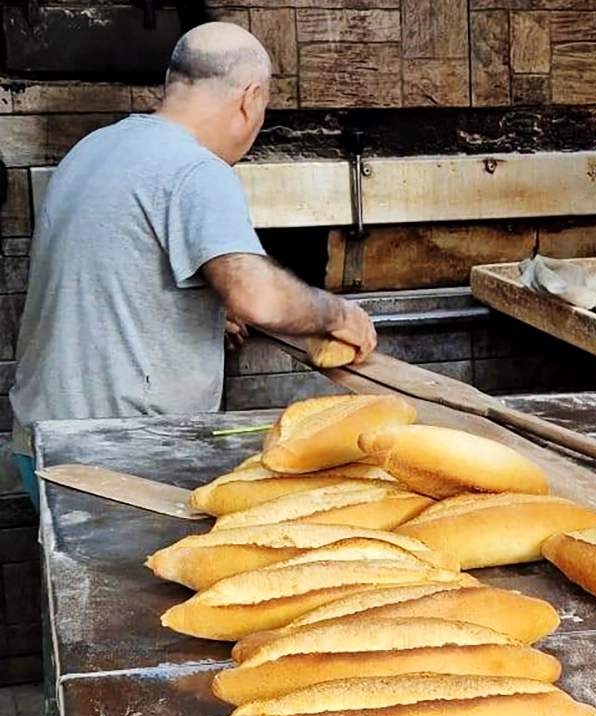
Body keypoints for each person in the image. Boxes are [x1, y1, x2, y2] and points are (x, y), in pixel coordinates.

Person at [9, 22, 377, 509]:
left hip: (43, 443)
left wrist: (195, 313)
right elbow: (258, 296)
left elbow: (111, 271)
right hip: (117, 459)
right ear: (249, 99)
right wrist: (339, 315)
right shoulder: (197, 169)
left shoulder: (95, 148)